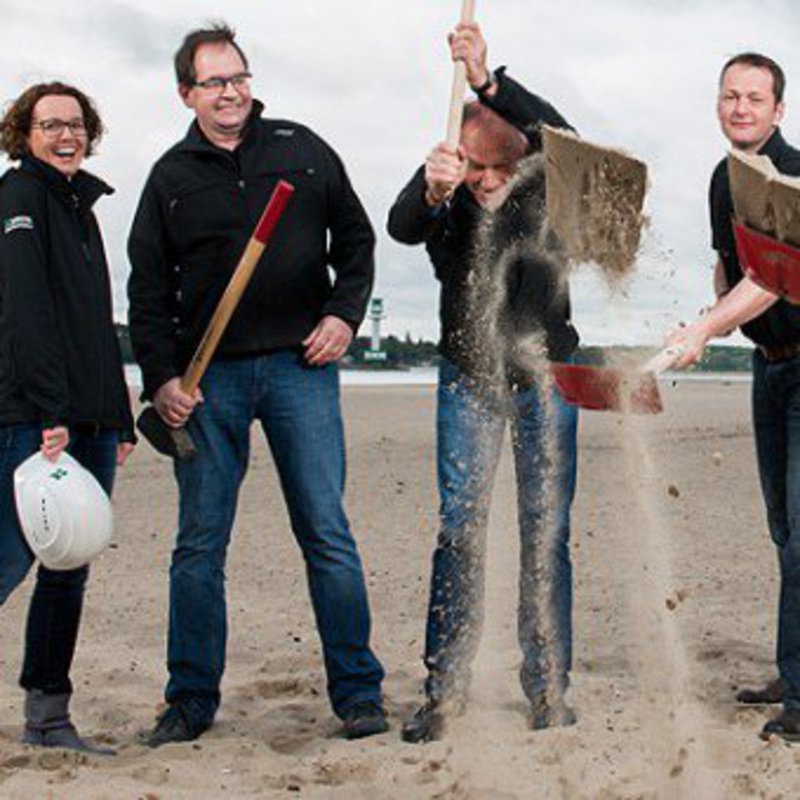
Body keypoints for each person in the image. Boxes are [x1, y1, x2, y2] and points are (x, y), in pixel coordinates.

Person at [127, 23, 386, 746]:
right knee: (199, 544)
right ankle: (190, 700)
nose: (231, 91)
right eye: (214, 82)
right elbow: (147, 292)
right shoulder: (169, 178)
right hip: (208, 384)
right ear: (187, 93)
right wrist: (161, 381)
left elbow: (357, 242)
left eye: (238, 77)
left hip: (300, 370)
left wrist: (343, 315)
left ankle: (359, 692)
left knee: (326, 533)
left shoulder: (302, 149)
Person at [387, 22, 580, 742]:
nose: (490, 183)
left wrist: (485, 77)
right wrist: (434, 188)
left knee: (545, 534)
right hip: (469, 380)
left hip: (546, 378)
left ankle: (548, 687)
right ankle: (443, 689)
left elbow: (561, 132)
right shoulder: (449, 193)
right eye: (477, 170)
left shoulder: (547, 187)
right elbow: (401, 225)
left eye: (501, 169)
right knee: (460, 531)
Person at [667, 53, 800, 742]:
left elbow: (774, 276)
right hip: (769, 368)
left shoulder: (792, 176)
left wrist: (706, 328)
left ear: (779, 110)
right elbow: (731, 268)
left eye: (755, 97)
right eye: (730, 96)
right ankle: (795, 668)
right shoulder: (725, 178)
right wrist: (707, 317)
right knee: (784, 532)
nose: (741, 107)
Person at [0, 82, 135, 753]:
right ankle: (47, 717)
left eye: (76, 124)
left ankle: (48, 718)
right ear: (24, 133)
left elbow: (93, 322)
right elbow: (25, 311)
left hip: (89, 417)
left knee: (68, 563)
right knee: (8, 558)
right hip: (33, 415)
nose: (66, 135)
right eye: (50, 124)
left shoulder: (80, 206)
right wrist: (52, 412)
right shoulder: (19, 198)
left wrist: (120, 418)